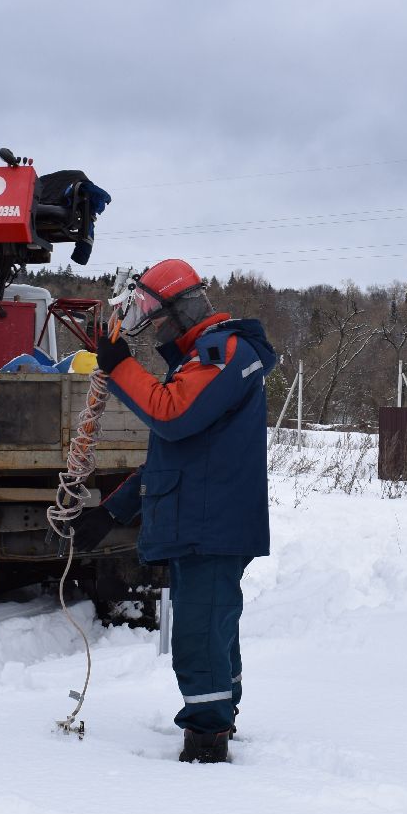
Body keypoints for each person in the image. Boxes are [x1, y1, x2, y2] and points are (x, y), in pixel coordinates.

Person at [68, 259, 277, 763]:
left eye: (155, 317)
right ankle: (219, 719)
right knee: (213, 627)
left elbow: (172, 416)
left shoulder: (222, 354)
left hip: (211, 524)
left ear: (181, 308)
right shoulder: (202, 361)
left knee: (199, 633)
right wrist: (111, 514)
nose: (154, 329)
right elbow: (175, 457)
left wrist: (117, 364)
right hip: (202, 520)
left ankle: (207, 741)